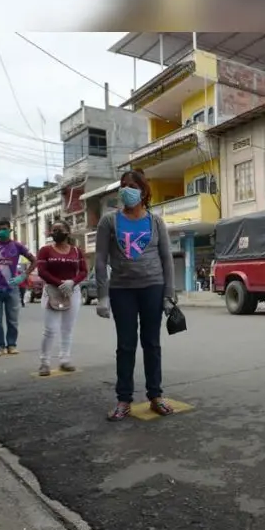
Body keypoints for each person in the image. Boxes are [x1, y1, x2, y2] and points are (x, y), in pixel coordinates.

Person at [94, 170, 177, 421]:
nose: (126, 190)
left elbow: (166, 258)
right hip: (122, 290)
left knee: (152, 343)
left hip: (153, 287)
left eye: (131, 186)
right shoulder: (109, 221)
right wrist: (102, 295)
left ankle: (155, 396)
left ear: (143, 191)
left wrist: (169, 295)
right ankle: (123, 400)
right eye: (123, 186)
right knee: (125, 345)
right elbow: (100, 259)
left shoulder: (156, 222)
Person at [36, 220, 88, 376]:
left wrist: (72, 282)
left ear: (67, 232)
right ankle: (44, 362)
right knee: (50, 329)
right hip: (52, 291)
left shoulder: (77, 251)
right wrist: (59, 283)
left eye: (59, 229)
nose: (56, 232)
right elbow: (42, 272)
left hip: (72, 291)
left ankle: (65, 359)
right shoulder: (45, 250)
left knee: (67, 328)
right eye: (53, 230)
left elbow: (84, 271)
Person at [0, 219, 36, 356]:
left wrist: (23, 276)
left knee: (12, 319)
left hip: (12, 288)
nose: (1, 231)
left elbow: (35, 261)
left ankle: (11, 345)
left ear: (10, 230)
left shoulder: (17, 246)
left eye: (4, 228)